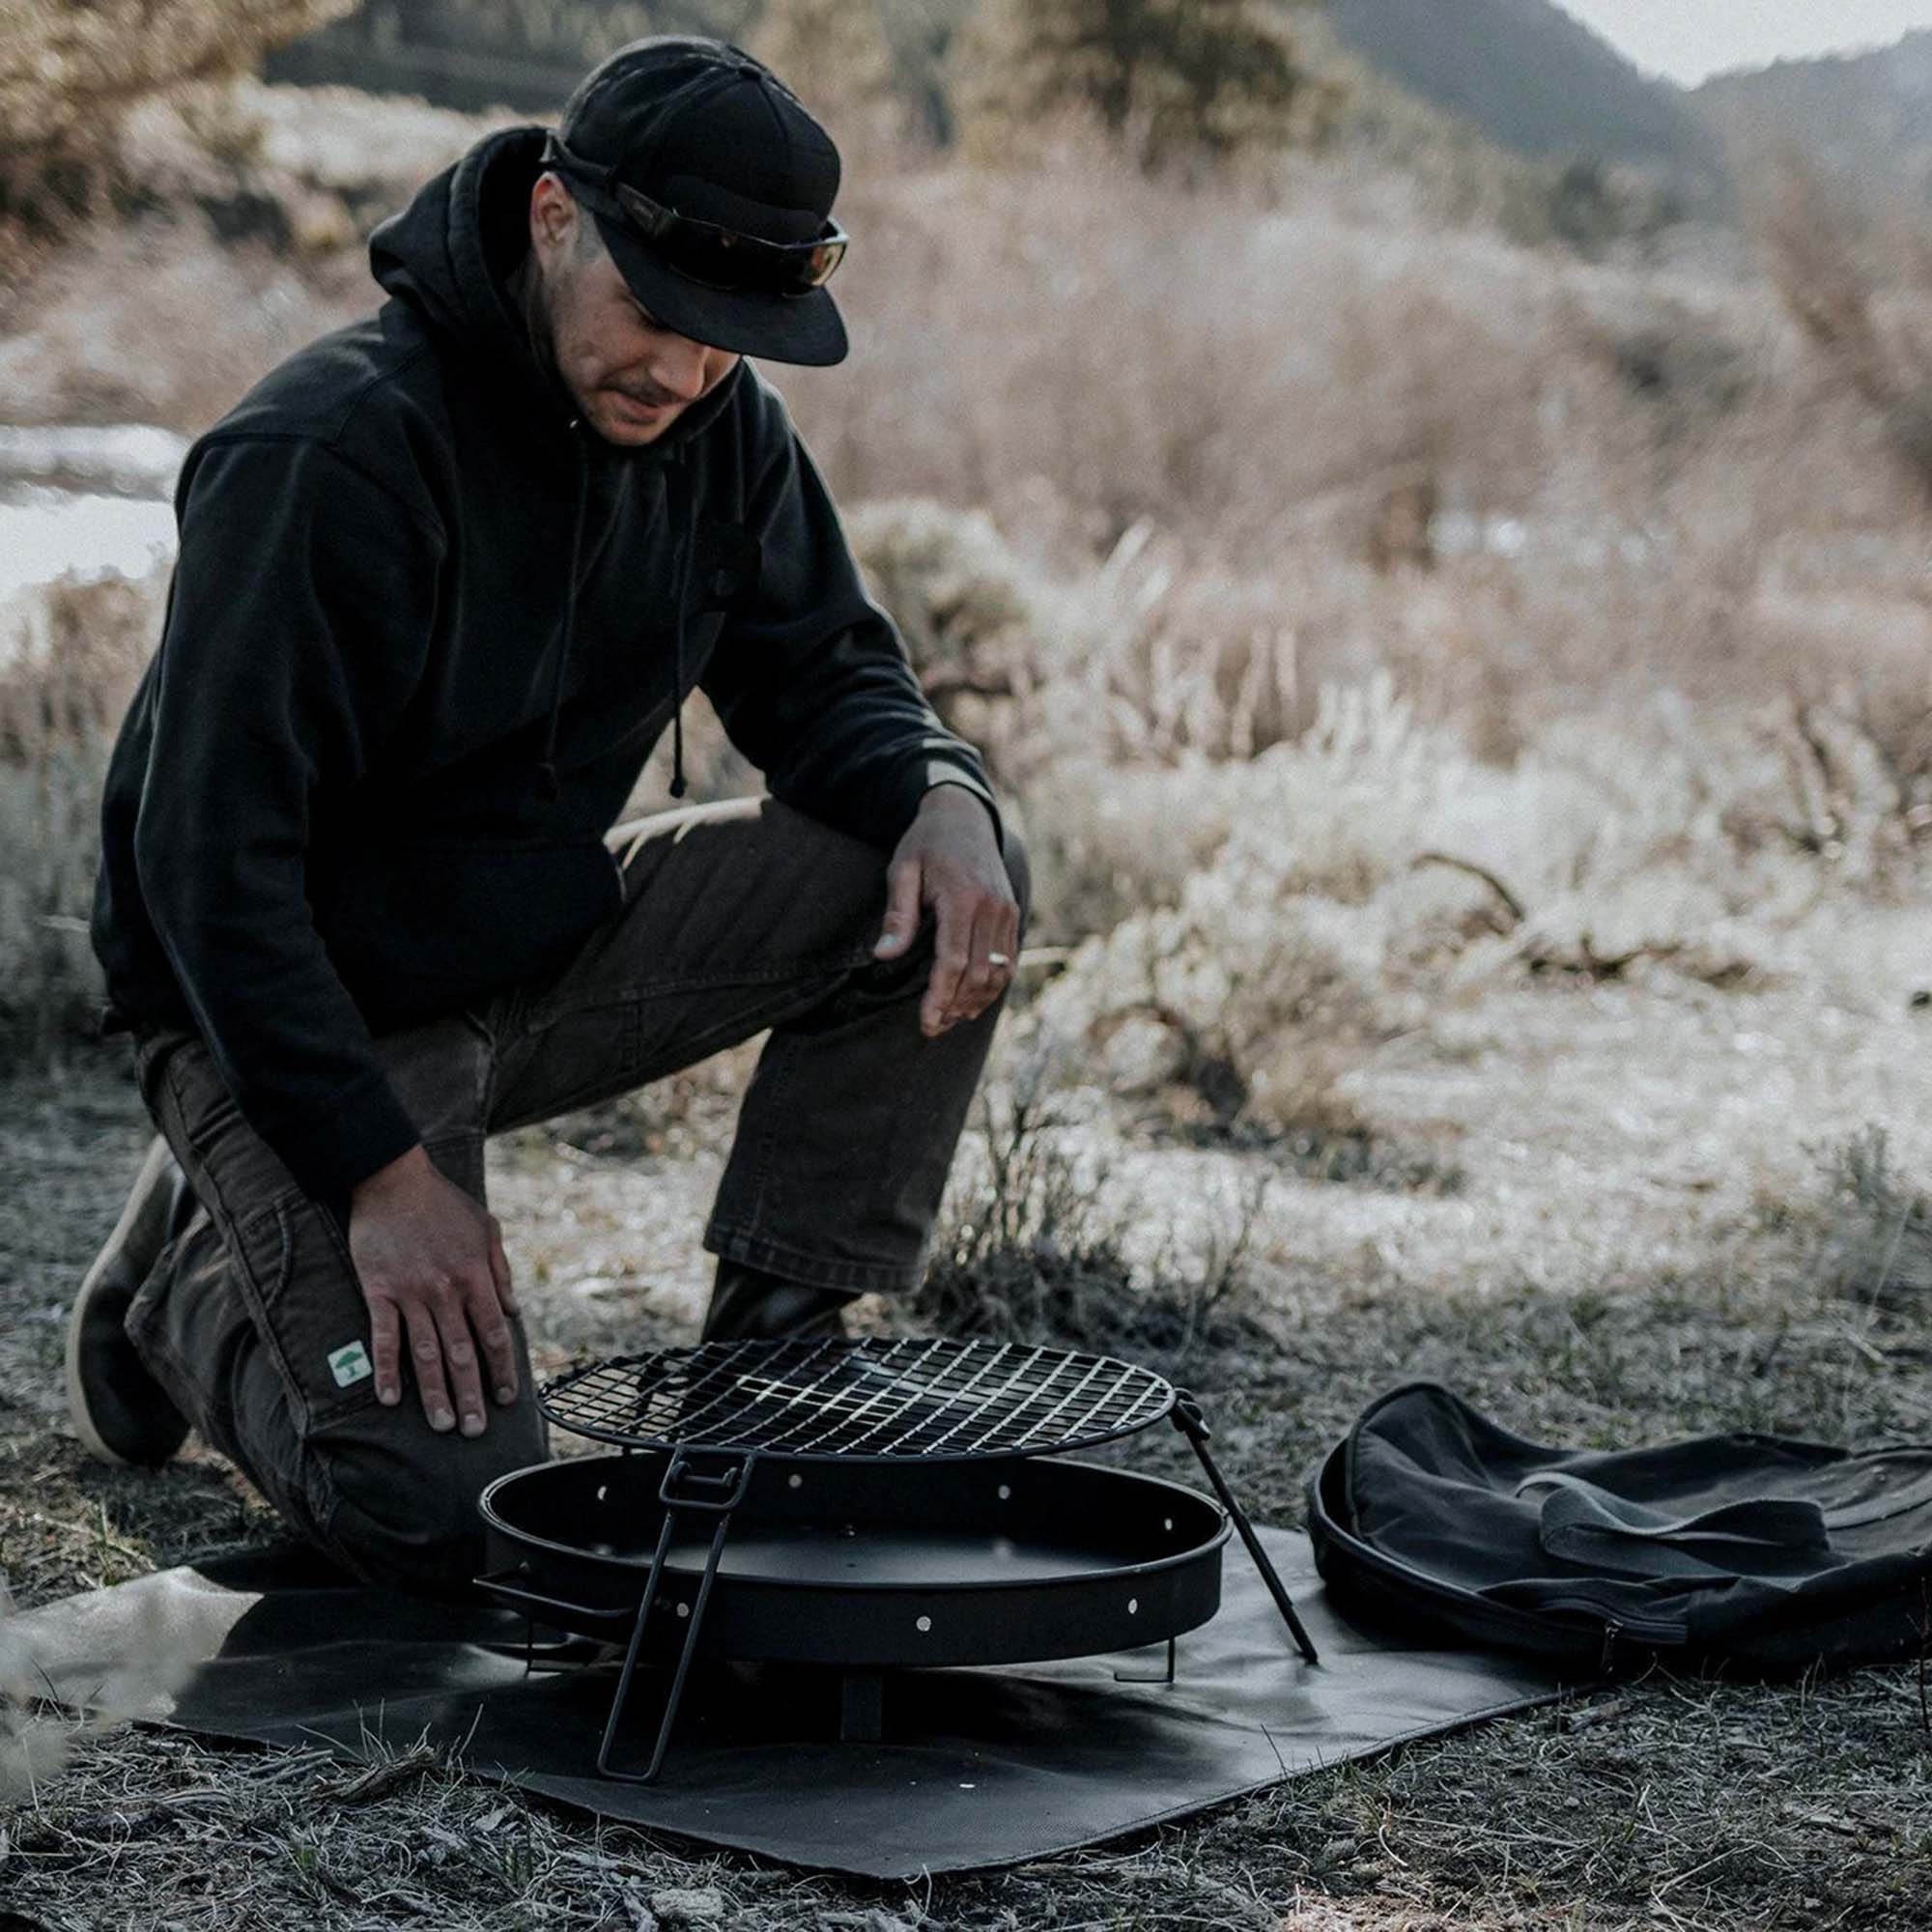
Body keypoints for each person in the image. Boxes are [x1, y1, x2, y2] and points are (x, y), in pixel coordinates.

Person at [66, 36, 1026, 1594]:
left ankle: (775, 1364)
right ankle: (190, 1299)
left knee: (937, 865)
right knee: (448, 1518)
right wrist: (382, 1178)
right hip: (296, 993)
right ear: (556, 216)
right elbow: (207, 870)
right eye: (660, 316)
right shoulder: (321, 456)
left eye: (732, 341)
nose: (687, 372)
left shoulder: (718, 430)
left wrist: (942, 787)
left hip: (534, 945)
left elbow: (830, 670)